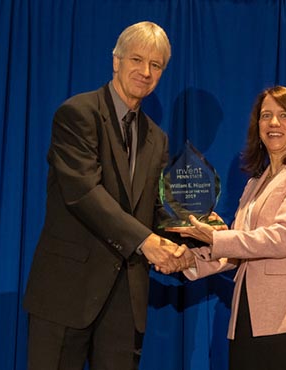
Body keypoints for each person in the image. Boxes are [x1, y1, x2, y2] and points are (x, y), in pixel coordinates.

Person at [23, 21, 191, 370]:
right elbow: (83, 193)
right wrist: (146, 242)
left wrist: (196, 229)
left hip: (124, 300)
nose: (145, 72)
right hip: (66, 293)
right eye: (137, 60)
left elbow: (155, 207)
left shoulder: (156, 138)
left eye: (156, 65)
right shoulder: (77, 114)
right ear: (116, 61)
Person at [167, 85, 286, 370]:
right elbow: (236, 250)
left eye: (284, 115)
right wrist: (186, 261)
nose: (273, 123)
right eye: (266, 116)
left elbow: (284, 238)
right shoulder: (254, 184)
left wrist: (216, 237)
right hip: (248, 317)